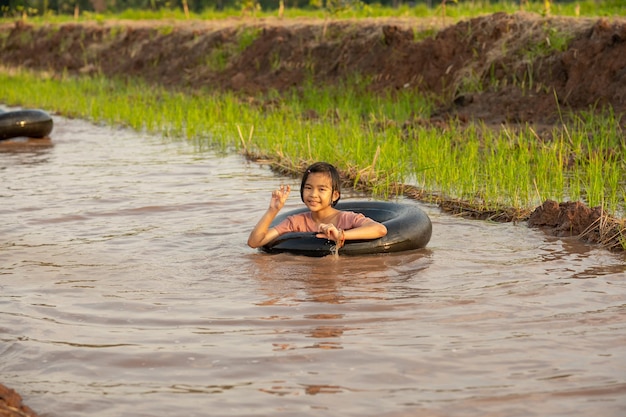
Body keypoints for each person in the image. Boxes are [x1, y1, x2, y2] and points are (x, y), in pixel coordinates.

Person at [247, 162, 387, 249]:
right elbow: (254, 242)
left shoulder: (346, 219)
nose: (313, 194)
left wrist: (341, 235)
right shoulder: (295, 222)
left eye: (321, 189)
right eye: (308, 188)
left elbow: (379, 229)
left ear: (335, 195)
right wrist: (273, 210)